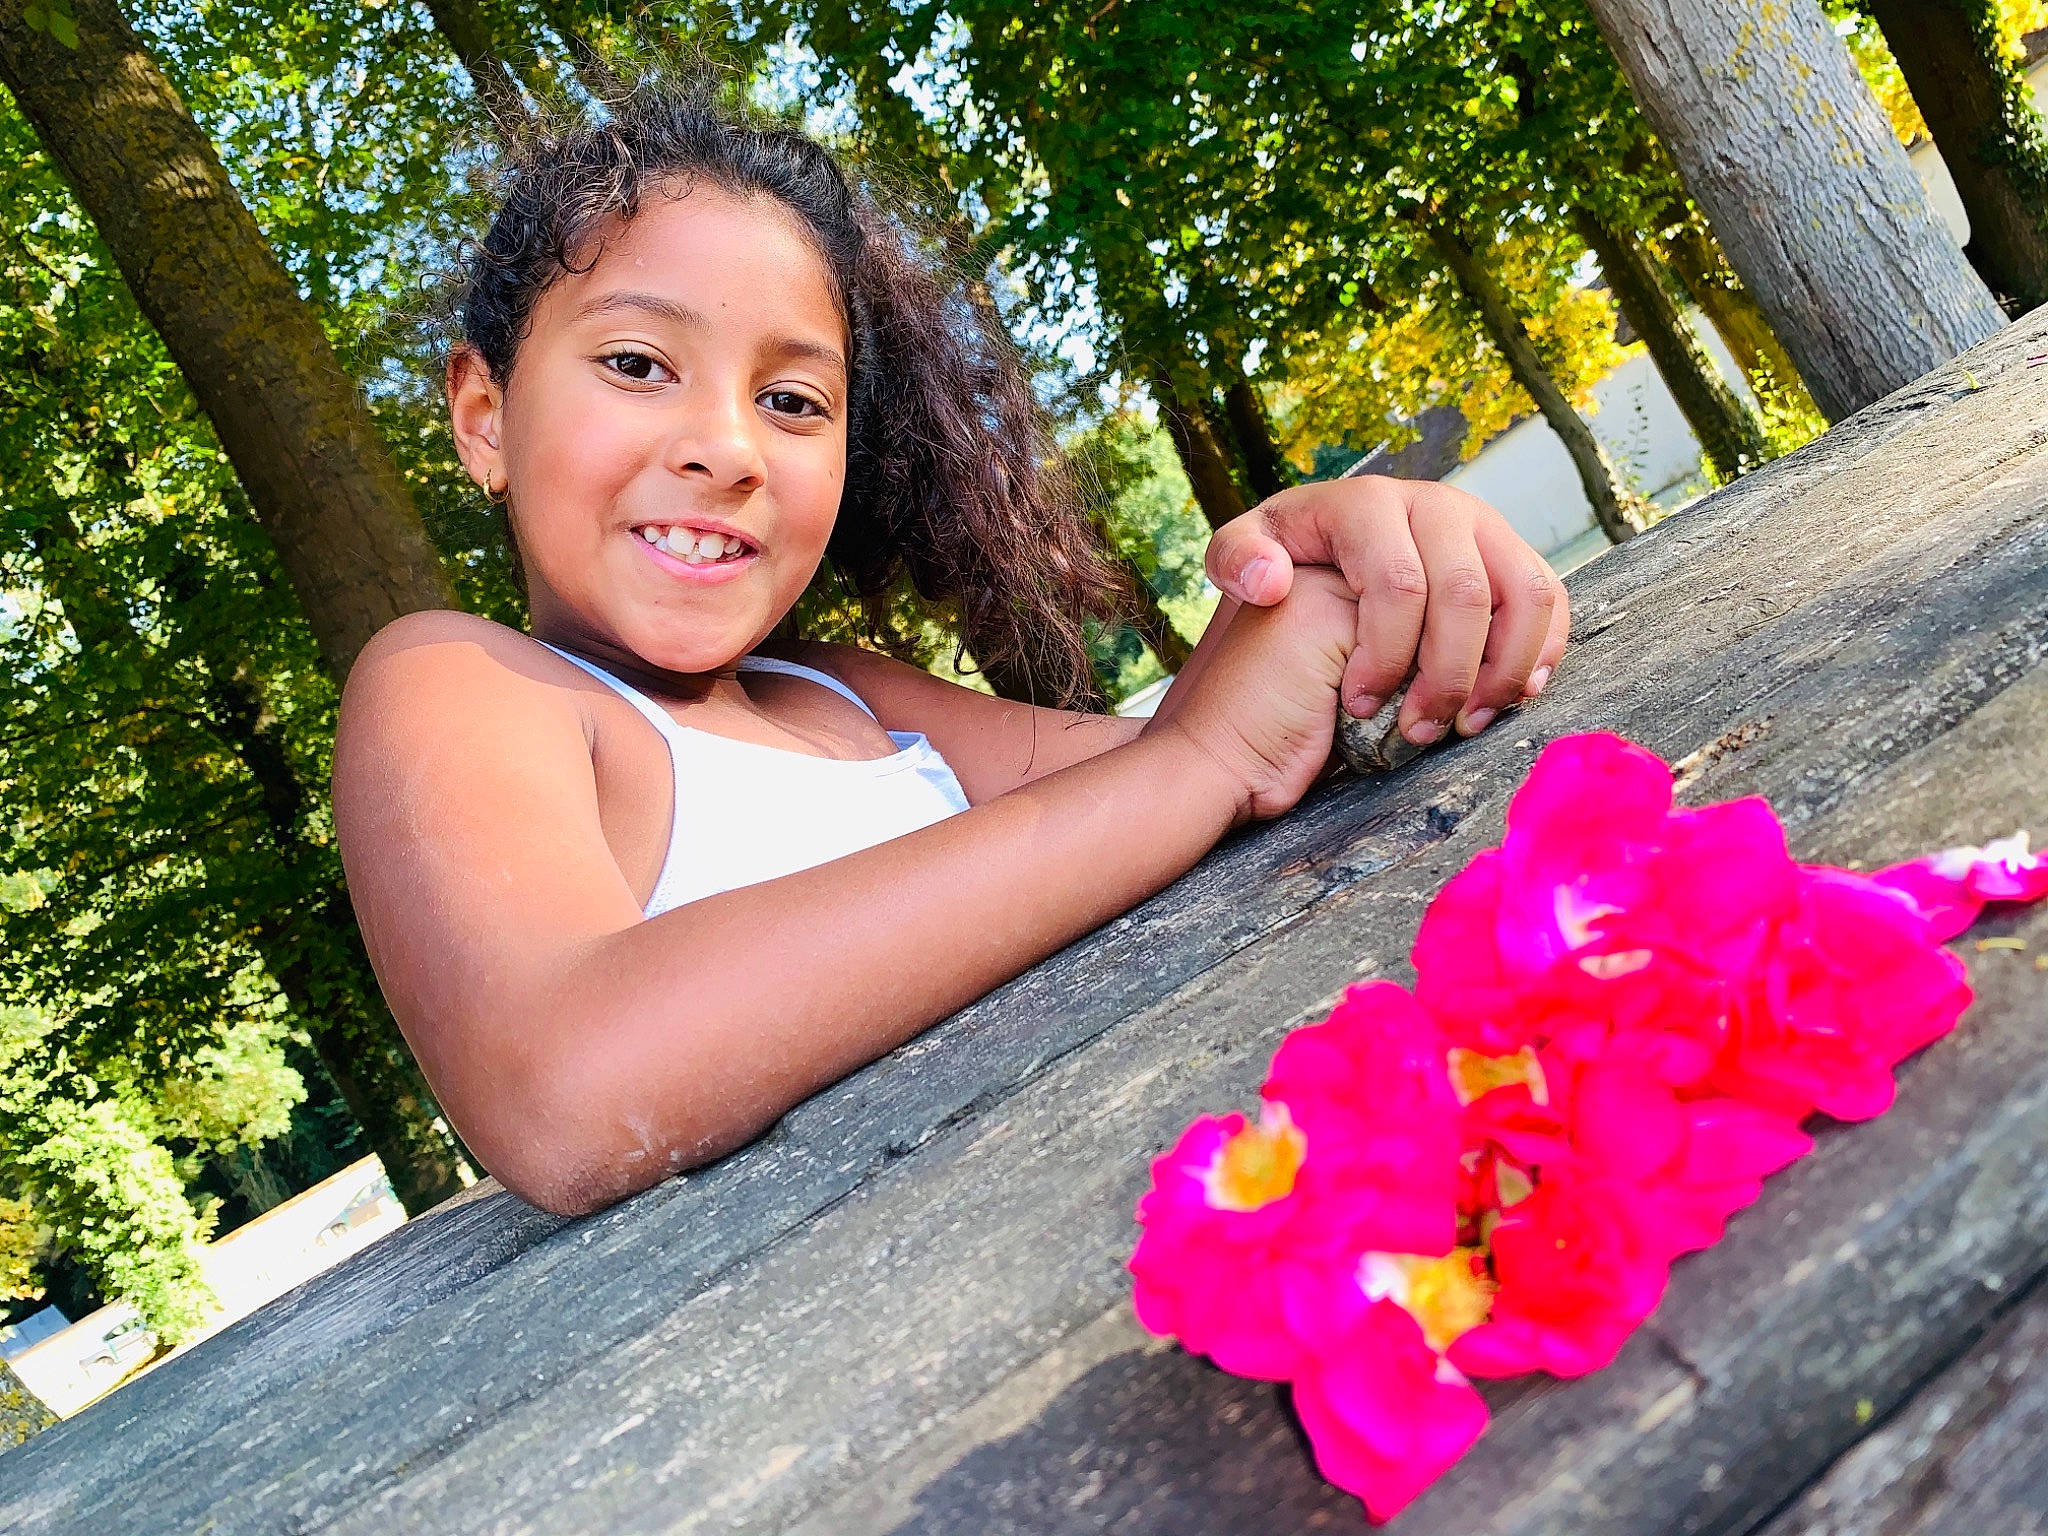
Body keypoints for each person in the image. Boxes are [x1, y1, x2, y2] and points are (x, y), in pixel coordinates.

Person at [332, 89, 1568, 1218]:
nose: (729, 449)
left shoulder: (842, 692)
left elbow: (1172, 780)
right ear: (483, 415)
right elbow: (570, 1088)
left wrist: (1323, 586)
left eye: (791, 401)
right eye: (637, 365)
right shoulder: (460, 684)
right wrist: (1199, 760)